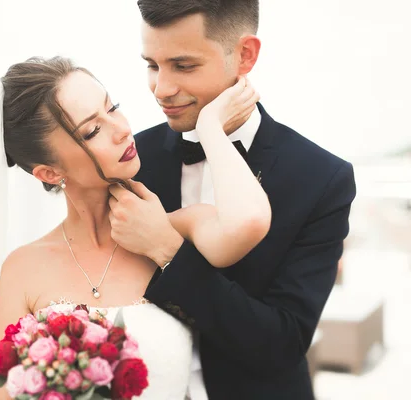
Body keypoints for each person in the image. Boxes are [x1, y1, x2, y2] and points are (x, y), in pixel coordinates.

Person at [106, 1, 357, 399]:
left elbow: (282, 344)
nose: (161, 89)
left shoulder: (322, 179)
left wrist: (169, 250)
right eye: (152, 65)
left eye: (183, 66)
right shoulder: (132, 161)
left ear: (245, 55)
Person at [0, 56, 268, 399]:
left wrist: (210, 128)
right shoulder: (22, 269)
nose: (122, 129)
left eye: (113, 108)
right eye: (92, 130)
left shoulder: (176, 229)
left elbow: (250, 222)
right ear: (49, 172)